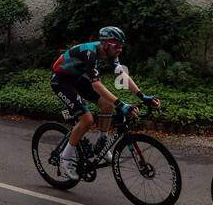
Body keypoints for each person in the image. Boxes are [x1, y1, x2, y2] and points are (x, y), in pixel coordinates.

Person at [50, 25, 159, 181]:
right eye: (117, 45)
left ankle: (102, 144)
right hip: (61, 81)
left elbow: (122, 75)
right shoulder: (90, 52)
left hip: (76, 79)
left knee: (107, 105)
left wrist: (142, 96)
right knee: (87, 120)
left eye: (122, 46)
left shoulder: (111, 54)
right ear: (106, 44)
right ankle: (65, 160)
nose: (120, 49)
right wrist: (122, 105)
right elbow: (96, 85)